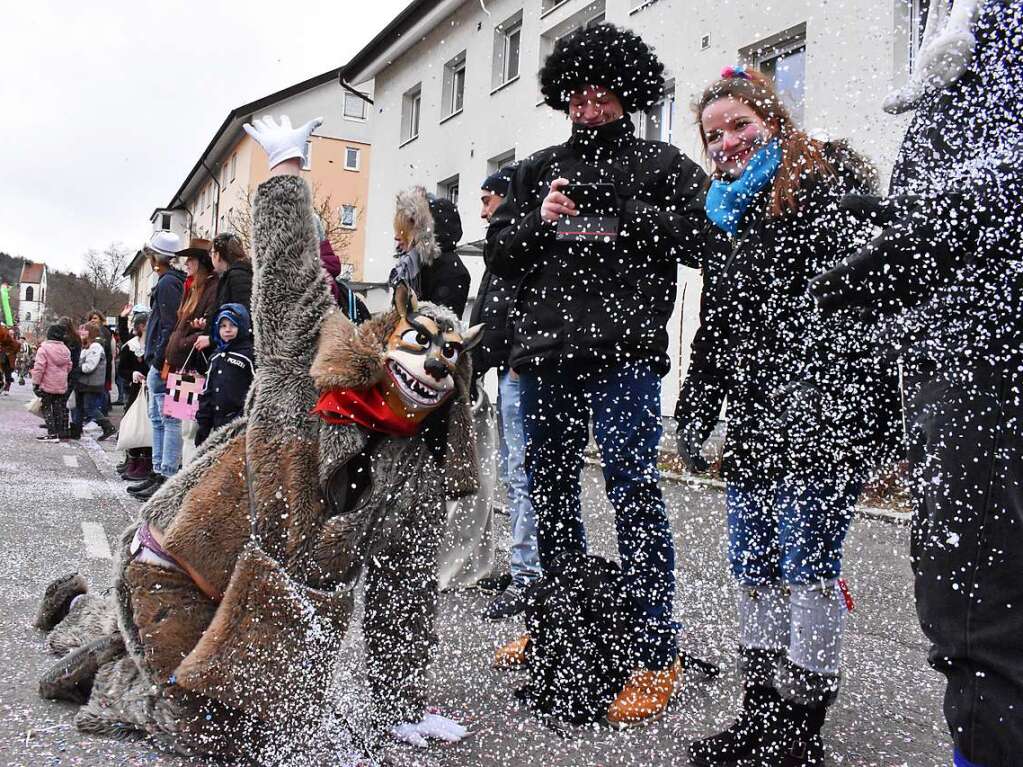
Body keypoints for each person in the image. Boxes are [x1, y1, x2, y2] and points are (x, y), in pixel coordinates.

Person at [809, 4, 1023, 766]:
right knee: (967, 618)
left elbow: (967, 210)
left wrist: (947, 221)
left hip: (995, 366)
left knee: (983, 624)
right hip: (955, 371)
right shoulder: (953, 60)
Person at [486, 23, 711, 725]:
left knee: (631, 492)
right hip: (546, 359)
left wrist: (625, 210)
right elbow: (500, 255)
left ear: (627, 94)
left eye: (601, 97)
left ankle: (653, 647)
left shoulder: (662, 164)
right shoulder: (535, 168)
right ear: (562, 97)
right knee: (551, 497)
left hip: (626, 359)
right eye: (577, 98)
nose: (588, 108)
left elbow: (706, 240)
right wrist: (539, 221)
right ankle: (560, 623)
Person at [678, 67, 901, 766]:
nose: (727, 144)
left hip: (822, 412)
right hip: (757, 418)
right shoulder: (729, 218)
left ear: (772, 121)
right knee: (753, 568)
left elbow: (871, 313)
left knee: (805, 569)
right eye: (713, 135)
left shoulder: (823, 194)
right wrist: (695, 407)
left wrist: (881, 424)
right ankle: (761, 713)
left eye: (740, 126)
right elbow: (716, 329)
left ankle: (798, 731)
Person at [470, 165, 542, 619]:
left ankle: (529, 576)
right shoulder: (508, 239)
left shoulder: (519, 240)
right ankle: (526, 569)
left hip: (522, 372)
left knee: (525, 472)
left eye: (486, 199)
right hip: (511, 369)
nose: (482, 211)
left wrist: (501, 357)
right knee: (519, 473)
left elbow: (503, 309)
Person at [129, 231, 185, 500]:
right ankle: (159, 472)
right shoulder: (172, 282)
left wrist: (159, 356)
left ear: (157, 257)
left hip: (165, 363)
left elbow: (168, 323)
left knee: (166, 419)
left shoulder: (167, 284)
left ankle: (164, 475)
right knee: (160, 419)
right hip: (164, 360)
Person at [390, 188, 470, 317]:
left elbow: (440, 328)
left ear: (422, 231)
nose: (397, 236)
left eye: (403, 230)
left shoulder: (449, 270)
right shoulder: (412, 268)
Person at [195, 303, 254, 446]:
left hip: (240, 421)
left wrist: (245, 414)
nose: (227, 330)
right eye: (223, 326)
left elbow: (257, 388)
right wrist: (203, 423)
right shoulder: (215, 357)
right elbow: (207, 390)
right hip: (217, 420)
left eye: (232, 325)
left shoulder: (248, 355)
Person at [193, 232, 252, 353]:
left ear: (218, 255)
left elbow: (243, 318)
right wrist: (210, 324)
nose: (211, 257)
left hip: (234, 353)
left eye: (212, 253)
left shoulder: (238, 276)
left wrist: (212, 339)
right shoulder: (229, 276)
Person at [115, 304, 151, 481]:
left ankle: (146, 463)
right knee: (134, 423)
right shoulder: (131, 345)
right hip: (136, 391)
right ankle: (133, 460)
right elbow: (123, 369)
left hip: (152, 390)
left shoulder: (155, 345)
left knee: (149, 426)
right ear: (141, 326)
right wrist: (133, 374)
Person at [73, 324, 117, 441]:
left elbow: (89, 366)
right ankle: (76, 429)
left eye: (84, 331)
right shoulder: (86, 346)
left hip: (91, 383)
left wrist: (77, 368)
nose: (81, 333)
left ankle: (108, 427)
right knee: (80, 407)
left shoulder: (96, 347)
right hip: (83, 383)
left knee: (90, 408)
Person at [31, 324, 72, 442]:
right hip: (60, 384)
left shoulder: (43, 349)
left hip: (47, 384)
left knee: (46, 407)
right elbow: (69, 366)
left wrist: (36, 382)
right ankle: (59, 432)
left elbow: (39, 367)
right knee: (58, 407)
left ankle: (51, 433)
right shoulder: (66, 350)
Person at [58, 316, 81, 439]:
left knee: (63, 402)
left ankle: (63, 429)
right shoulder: (75, 338)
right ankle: (65, 428)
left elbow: (69, 359)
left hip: (68, 373)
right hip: (73, 373)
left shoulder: (68, 340)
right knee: (65, 401)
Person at [86, 310, 114, 411]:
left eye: (95, 318)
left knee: (103, 388)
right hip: (95, 363)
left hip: (103, 364)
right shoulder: (89, 330)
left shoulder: (105, 332)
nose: (93, 320)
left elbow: (108, 349)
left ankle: (103, 409)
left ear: (100, 320)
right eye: (91, 319)